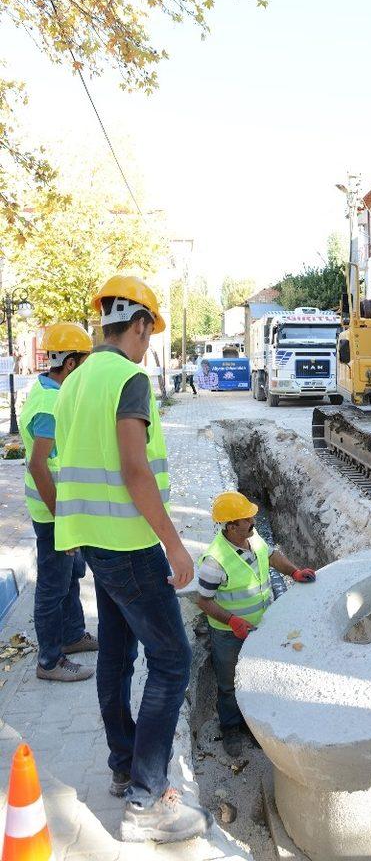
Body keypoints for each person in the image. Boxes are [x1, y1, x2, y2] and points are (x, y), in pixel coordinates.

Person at [53, 275, 211, 844]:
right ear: (139, 323)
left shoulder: (74, 382)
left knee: (117, 655)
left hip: (93, 540)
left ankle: (125, 766)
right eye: (150, 332)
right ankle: (147, 800)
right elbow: (133, 467)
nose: (150, 344)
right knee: (172, 660)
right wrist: (173, 542)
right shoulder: (129, 377)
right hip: (130, 543)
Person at [197, 491, 316, 758]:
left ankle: (252, 725)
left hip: (260, 627)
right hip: (229, 634)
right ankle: (230, 728)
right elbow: (203, 601)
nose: (253, 522)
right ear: (231, 526)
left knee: (257, 679)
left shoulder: (254, 538)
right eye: (247, 520)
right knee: (229, 683)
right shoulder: (214, 561)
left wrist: (294, 571)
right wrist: (232, 620)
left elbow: (272, 556)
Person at [18, 323, 97, 683]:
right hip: (53, 514)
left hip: (61, 510)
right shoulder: (50, 404)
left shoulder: (51, 390)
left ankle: (72, 635)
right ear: (69, 363)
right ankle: (50, 661)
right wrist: (61, 518)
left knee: (71, 574)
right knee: (53, 585)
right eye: (82, 361)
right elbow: (38, 464)